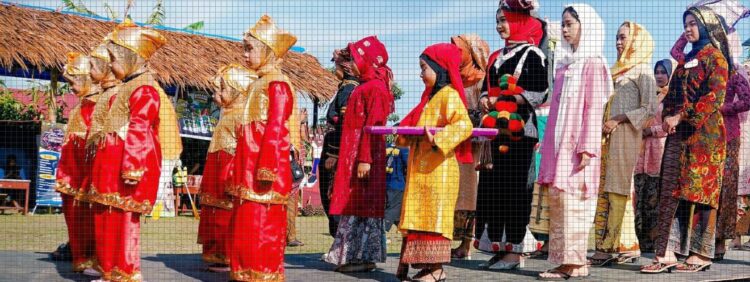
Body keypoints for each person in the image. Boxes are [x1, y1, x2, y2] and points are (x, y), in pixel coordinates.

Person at [86, 19, 182, 281]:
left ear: (131, 58)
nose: (111, 65)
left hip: (126, 165)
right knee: (109, 217)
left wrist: (133, 166)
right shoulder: (127, 85)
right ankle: (110, 271)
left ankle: (127, 272)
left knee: (125, 220)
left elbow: (141, 128)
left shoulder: (145, 88)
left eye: (115, 59)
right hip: (111, 163)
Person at [642, 6, 730, 274]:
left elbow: (715, 98)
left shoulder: (716, 59)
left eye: (693, 23)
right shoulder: (685, 61)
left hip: (706, 136)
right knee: (670, 191)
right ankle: (667, 252)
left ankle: (700, 253)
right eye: (686, 24)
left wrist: (681, 117)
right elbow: (672, 97)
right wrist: (669, 116)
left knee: (699, 193)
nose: (687, 29)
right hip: (677, 136)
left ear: (706, 26)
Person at [537, 4, 611, 280]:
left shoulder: (593, 63)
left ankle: (575, 263)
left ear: (586, 26)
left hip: (579, 148)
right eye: (563, 24)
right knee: (559, 202)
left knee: (575, 203)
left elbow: (593, 110)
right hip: (559, 147)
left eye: (570, 24)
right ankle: (564, 261)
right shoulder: (565, 65)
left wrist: (587, 148)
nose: (565, 29)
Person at [474, 0, 549, 269]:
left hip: (520, 132)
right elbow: (486, 87)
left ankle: (515, 251)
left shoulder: (533, 55)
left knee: (515, 190)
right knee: (492, 190)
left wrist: (509, 98)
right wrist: (485, 99)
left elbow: (541, 90)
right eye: (497, 21)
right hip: (495, 131)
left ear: (518, 20)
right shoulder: (496, 57)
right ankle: (499, 246)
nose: (499, 26)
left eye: (504, 20)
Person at [225, 15, 299, 281]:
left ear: (268, 51)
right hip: (248, 170)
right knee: (246, 227)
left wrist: (267, 167)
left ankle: (261, 276)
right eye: (244, 48)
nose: (244, 54)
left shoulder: (277, 85)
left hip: (263, 171)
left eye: (249, 48)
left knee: (262, 228)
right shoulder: (257, 84)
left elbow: (277, 129)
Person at [396, 43, 473, 282]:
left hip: (439, 171)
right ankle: (425, 266)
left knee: (434, 218)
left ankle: (437, 269)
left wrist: (438, 137)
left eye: (423, 68)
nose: (420, 74)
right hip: (421, 171)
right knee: (420, 217)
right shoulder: (429, 99)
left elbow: (464, 125)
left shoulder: (449, 95)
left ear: (439, 69)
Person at [589, 21, 655, 266]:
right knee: (603, 189)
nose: (618, 42)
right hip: (605, 138)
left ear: (636, 41)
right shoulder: (615, 69)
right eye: (616, 37)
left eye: (623, 38)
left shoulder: (643, 71)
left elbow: (650, 108)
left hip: (626, 136)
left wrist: (618, 119)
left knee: (617, 188)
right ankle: (608, 245)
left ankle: (609, 247)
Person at [325, 36, 393, 272]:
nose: (350, 65)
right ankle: (355, 256)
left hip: (365, 158)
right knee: (353, 203)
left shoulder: (375, 89)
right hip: (353, 156)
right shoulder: (364, 87)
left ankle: (361, 258)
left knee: (361, 205)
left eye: (354, 59)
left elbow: (373, 127)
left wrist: (365, 159)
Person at [198, 64, 256, 272]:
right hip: (217, 169)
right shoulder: (228, 114)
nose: (216, 95)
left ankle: (228, 255)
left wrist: (231, 176)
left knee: (226, 215)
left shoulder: (241, 116)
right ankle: (219, 254)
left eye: (221, 90)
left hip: (227, 172)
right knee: (216, 213)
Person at [55, 52, 99, 274]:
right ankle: (77, 249)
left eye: (73, 82)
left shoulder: (95, 106)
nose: (70, 87)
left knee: (84, 216)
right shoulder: (83, 104)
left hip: (82, 176)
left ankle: (86, 254)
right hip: (71, 174)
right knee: (75, 217)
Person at [448, 33, 489, 261]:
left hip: (476, 149)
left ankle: (467, 244)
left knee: (472, 194)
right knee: (455, 192)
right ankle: (453, 241)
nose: (455, 54)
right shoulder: (453, 80)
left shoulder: (484, 80)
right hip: (456, 146)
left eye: (459, 49)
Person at [633, 59, 675, 253]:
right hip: (641, 150)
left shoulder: (672, 96)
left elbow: (672, 124)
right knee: (639, 196)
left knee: (654, 197)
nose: (659, 75)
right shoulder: (649, 96)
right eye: (656, 72)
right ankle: (640, 240)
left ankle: (655, 241)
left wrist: (652, 130)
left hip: (659, 148)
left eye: (663, 72)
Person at [319, 48, 359, 237]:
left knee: (332, 193)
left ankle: (339, 241)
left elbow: (343, 124)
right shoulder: (347, 87)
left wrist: (334, 152)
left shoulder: (348, 89)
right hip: (338, 147)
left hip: (336, 148)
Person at [384, 142, 409, 233]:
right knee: (393, 208)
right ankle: (383, 229)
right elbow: (408, 164)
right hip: (397, 184)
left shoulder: (386, 145)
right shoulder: (403, 148)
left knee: (387, 208)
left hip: (385, 183)